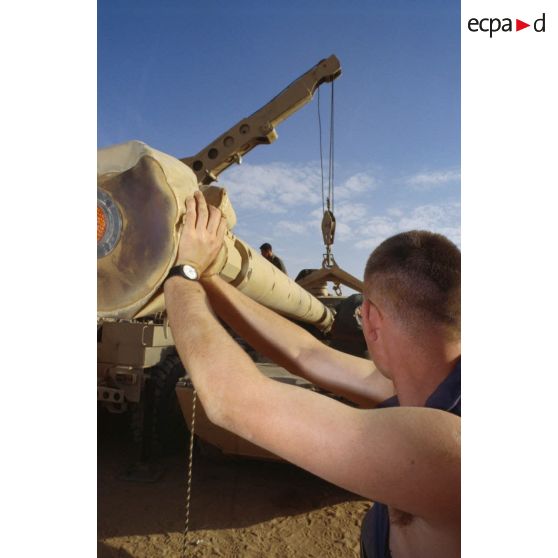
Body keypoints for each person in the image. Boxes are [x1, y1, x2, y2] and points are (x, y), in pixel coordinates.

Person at [164, 192, 460, 558]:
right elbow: (307, 354)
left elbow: (232, 400)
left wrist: (182, 272)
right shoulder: (428, 384)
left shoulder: (445, 447)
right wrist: (208, 277)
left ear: (370, 319)